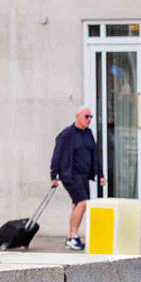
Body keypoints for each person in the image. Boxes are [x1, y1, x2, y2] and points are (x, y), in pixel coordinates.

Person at [49, 106, 104, 252]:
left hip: (84, 175)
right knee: (82, 202)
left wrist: (101, 174)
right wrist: (53, 176)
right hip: (70, 175)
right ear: (78, 117)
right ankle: (73, 237)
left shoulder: (89, 134)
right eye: (86, 117)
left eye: (90, 117)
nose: (89, 120)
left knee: (77, 205)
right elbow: (57, 153)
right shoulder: (67, 134)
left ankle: (71, 237)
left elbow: (95, 155)